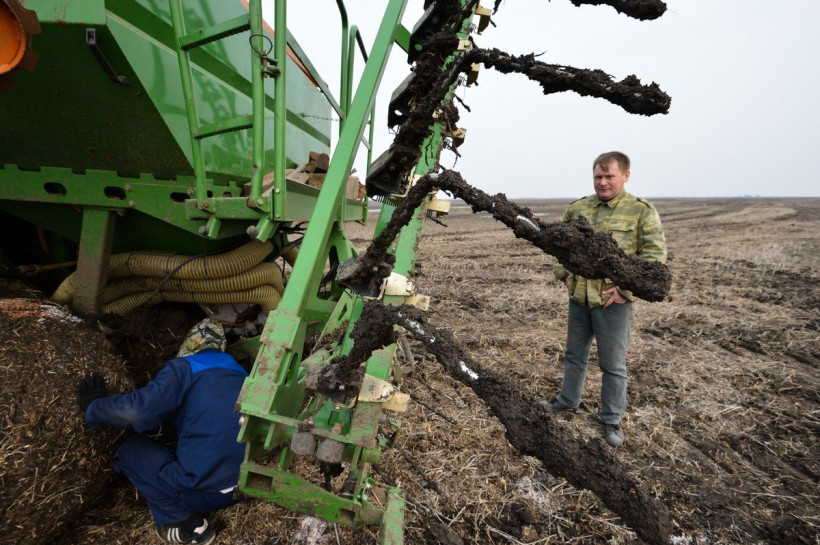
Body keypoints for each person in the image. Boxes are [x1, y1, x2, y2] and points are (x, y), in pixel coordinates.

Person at [78, 318, 248, 545]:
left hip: (208, 494)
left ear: (188, 347)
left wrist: (96, 406)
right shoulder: (242, 373)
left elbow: (137, 414)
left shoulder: (184, 367)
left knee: (131, 451)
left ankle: (186, 525)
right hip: (248, 484)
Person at [540, 151, 667, 448]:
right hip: (579, 298)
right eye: (598, 176)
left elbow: (655, 258)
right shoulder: (579, 208)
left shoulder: (641, 211)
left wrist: (626, 292)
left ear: (626, 176)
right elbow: (556, 242)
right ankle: (567, 400)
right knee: (574, 355)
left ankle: (611, 418)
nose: (603, 182)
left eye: (610, 176)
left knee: (613, 365)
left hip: (613, 304)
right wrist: (564, 275)